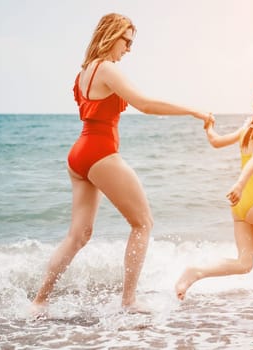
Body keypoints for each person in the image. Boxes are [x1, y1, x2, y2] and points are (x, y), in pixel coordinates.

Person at [31, 13, 212, 316]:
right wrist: (193, 110)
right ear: (110, 35)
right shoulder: (107, 69)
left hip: (79, 155)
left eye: (131, 42)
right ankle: (128, 301)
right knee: (143, 223)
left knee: (78, 236)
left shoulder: (84, 72)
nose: (129, 48)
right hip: (100, 152)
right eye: (126, 40)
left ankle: (39, 301)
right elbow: (146, 105)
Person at [174, 81, 253, 314]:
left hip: (240, 206)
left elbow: (216, 141)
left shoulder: (248, 129)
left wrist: (209, 126)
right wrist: (240, 184)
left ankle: (196, 272)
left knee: (244, 263)